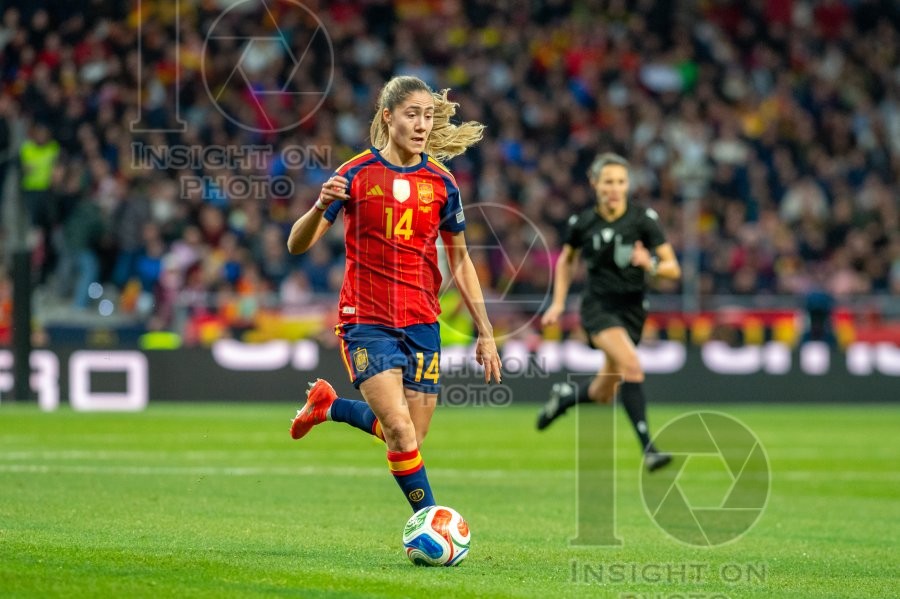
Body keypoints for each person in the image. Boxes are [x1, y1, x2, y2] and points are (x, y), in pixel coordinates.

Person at [286, 75, 503, 513]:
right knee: (401, 431)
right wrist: (316, 205)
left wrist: (486, 331)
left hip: (423, 321)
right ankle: (431, 521)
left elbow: (460, 260)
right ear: (388, 118)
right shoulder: (353, 175)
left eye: (427, 115)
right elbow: (296, 244)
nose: (422, 124)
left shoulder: (442, 183)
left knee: (407, 437)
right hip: (366, 321)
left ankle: (328, 406)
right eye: (412, 114)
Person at [536, 152, 681, 472]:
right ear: (595, 184)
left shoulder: (643, 219)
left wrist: (650, 264)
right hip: (598, 308)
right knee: (631, 364)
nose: (614, 188)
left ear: (628, 185)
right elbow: (566, 261)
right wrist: (559, 303)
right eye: (608, 182)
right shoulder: (583, 222)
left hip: (632, 311)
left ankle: (563, 399)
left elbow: (673, 269)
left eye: (620, 182)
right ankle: (649, 449)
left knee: (604, 391)